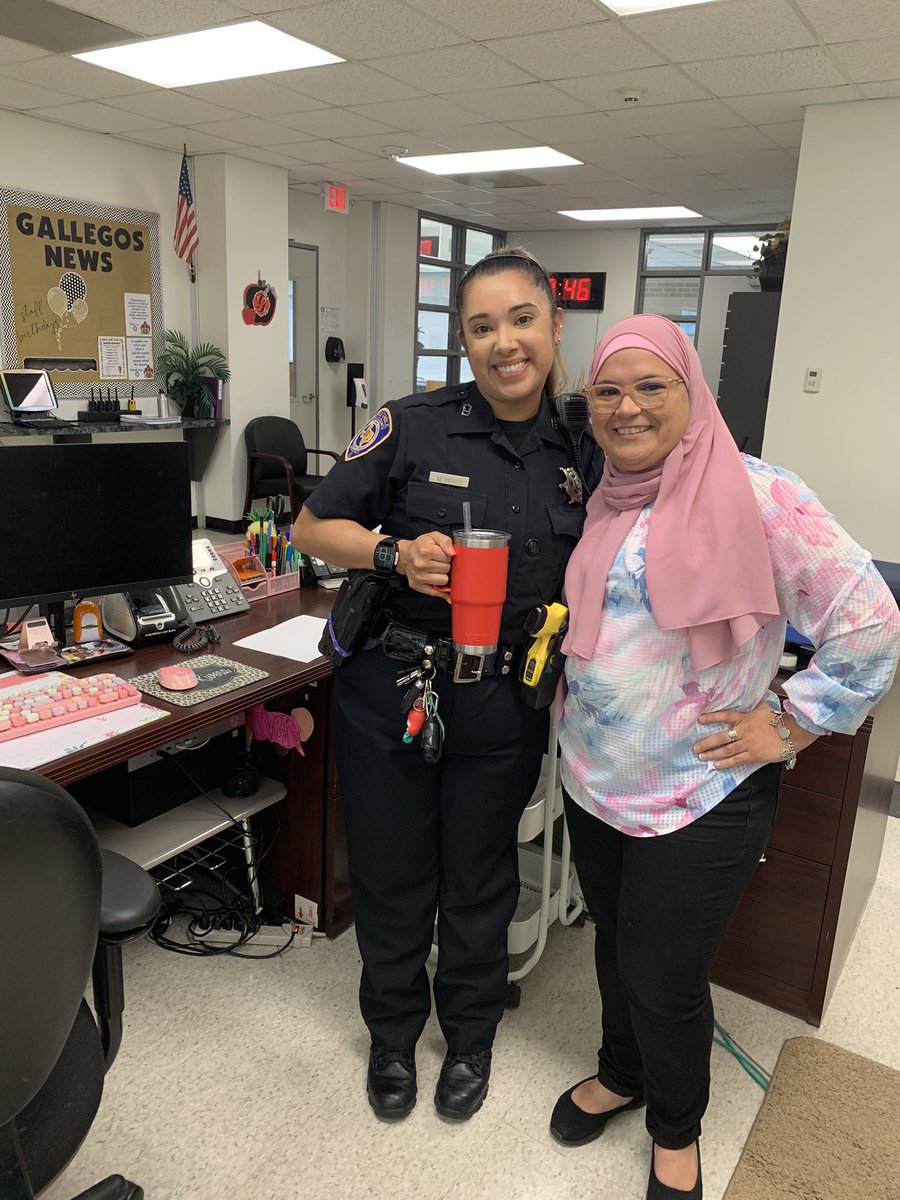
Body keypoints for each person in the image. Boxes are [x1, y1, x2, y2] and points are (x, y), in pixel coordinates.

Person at [550, 314, 900, 1199]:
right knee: (614, 950)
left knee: (664, 977)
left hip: (703, 789)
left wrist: (792, 724)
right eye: (608, 390)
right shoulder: (607, 493)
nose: (627, 408)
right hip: (596, 779)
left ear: (690, 390)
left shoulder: (758, 493)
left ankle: (677, 1129)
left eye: (650, 386)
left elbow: (872, 622)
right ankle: (622, 1074)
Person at [292, 248, 601, 1122]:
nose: (506, 342)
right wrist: (393, 553)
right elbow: (315, 525)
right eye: (482, 327)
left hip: (504, 698)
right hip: (397, 686)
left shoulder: (584, 441)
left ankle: (469, 1037)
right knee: (392, 876)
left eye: (521, 320)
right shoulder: (412, 424)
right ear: (462, 342)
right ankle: (392, 1038)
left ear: (553, 325)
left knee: (480, 877)